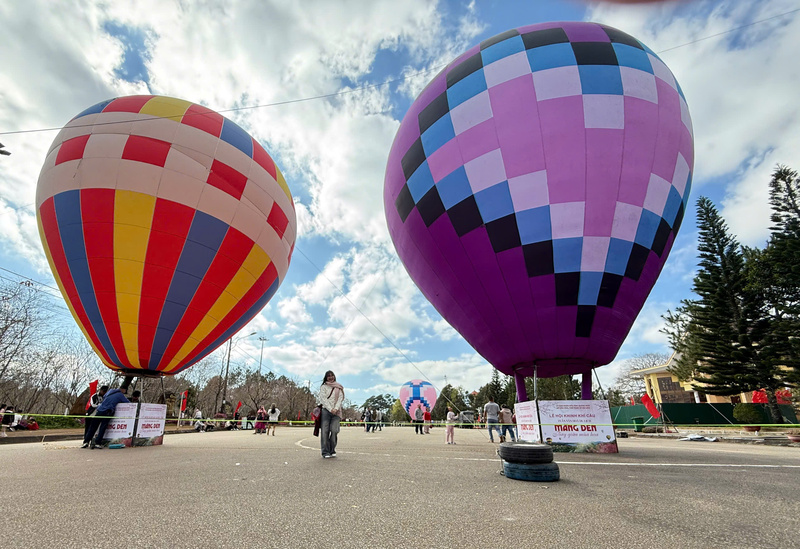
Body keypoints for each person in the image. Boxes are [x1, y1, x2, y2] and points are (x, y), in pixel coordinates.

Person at [317, 370, 344, 458]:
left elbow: (340, 398)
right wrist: (330, 409)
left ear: (334, 376)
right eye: (328, 376)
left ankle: (332, 450)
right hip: (326, 411)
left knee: (334, 430)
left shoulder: (338, 387)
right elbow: (323, 399)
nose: (330, 377)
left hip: (336, 412)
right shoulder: (323, 387)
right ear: (326, 377)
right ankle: (325, 452)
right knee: (325, 431)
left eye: (332, 375)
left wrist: (335, 408)